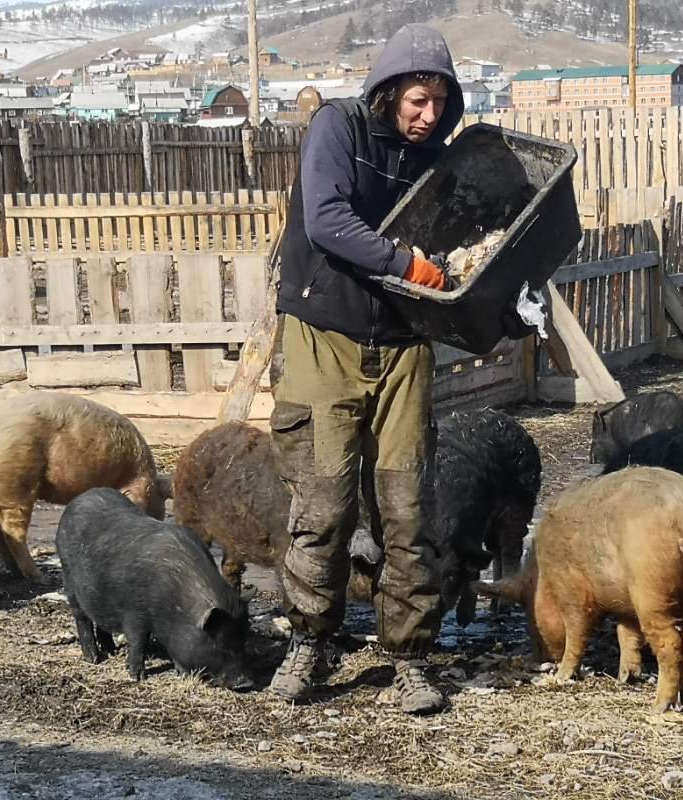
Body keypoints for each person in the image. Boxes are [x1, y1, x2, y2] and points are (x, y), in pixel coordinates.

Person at [265, 24, 464, 716]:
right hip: (326, 337)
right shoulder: (337, 129)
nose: (427, 115)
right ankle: (309, 643)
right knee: (322, 505)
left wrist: (493, 305)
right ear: (387, 91)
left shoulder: (439, 160)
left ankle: (409, 656)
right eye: (416, 100)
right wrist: (402, 262)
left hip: (406, 343)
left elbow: (460, 246)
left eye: (439, 103)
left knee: (408, 510)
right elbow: (325, 219)